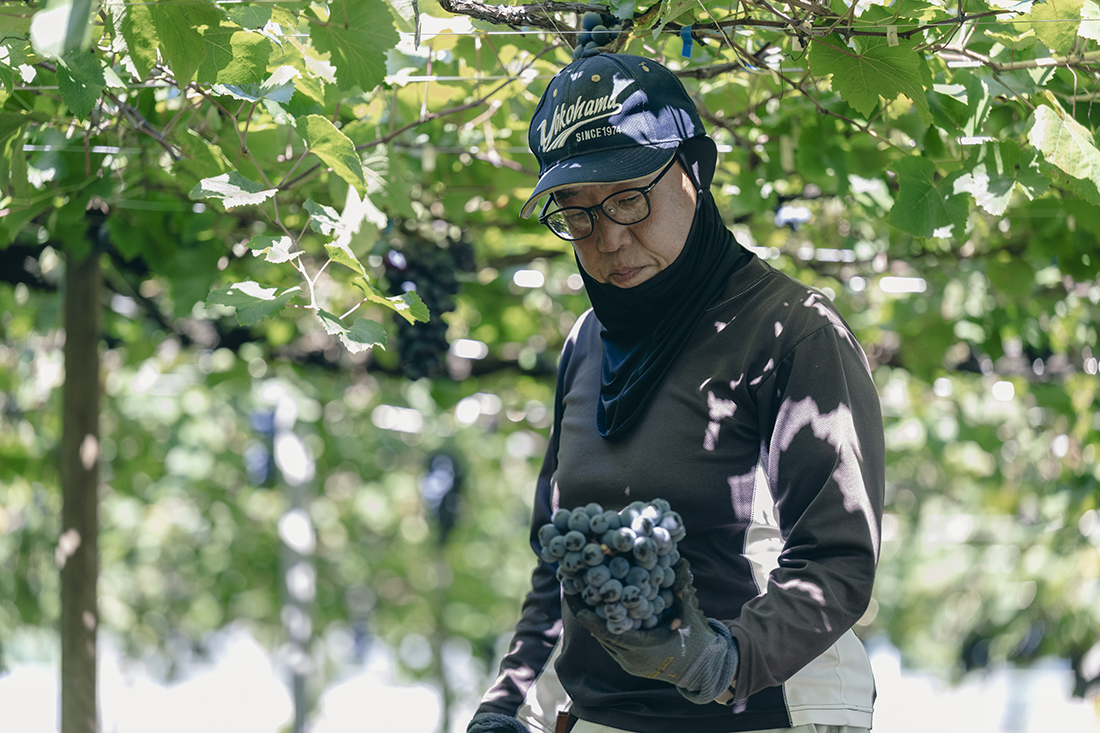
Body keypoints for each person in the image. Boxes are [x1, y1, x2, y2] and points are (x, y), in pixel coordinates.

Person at [467, 52, 885, 733]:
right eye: (577, 217)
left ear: (695, 169)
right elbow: (562, 557)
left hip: (761, 716)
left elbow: (835, 562)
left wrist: (719, 660)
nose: (610, 238)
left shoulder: (792, 334)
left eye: (630, 198)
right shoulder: (588, 342)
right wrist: (511, 703)